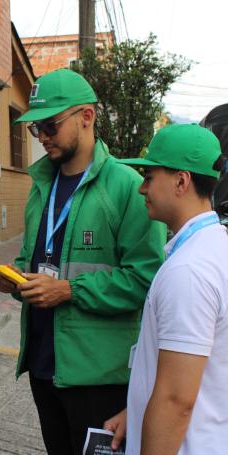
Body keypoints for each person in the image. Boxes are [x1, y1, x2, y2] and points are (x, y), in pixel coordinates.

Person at [0, 68, 166, 455]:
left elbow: (145, 280)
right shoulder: (41, 186)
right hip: (43, 364)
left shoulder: (128, 188)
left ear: (86, 116)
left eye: (50, 125)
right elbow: (32, 259)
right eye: (36, 129)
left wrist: (68, 290)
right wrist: (16, 279)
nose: (43, 137)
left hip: (99, 375)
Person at [104, 124, 228, 455]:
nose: (142, 188)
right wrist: (137, 411)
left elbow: (176, 400)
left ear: (181, 181)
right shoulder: (214, 247)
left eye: (148, 176)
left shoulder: (189, 271)